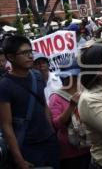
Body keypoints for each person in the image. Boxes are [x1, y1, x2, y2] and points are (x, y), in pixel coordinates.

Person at [0, 36, 59, 169]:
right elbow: (6, 125)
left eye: (30, 52)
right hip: (28, 147)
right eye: (24, 53)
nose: (30, 56)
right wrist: (19, 159)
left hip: (49, 142)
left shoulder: (37, 76)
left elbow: (44, 106)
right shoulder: (4, 86)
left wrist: (51, 133)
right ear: (10, 57)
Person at [49, 59, 90, 169]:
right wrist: (71, 106)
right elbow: (56, 124)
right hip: (70, 152)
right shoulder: (56, 97)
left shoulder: (85, 91)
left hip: (89, 147)